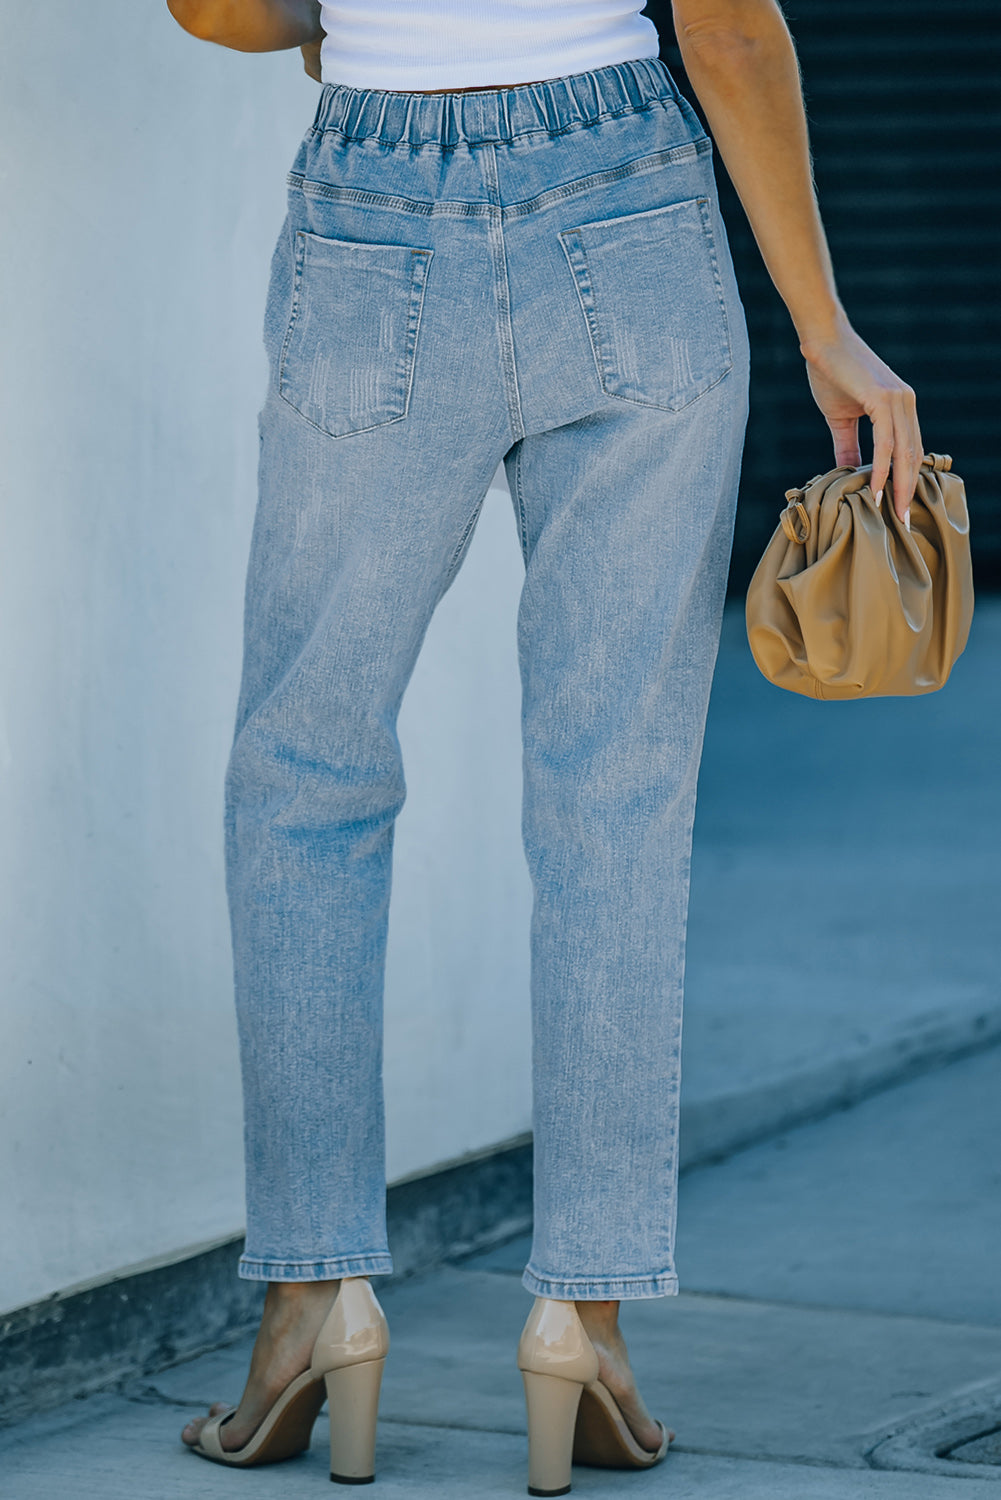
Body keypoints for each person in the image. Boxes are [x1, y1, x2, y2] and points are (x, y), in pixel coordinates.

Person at [167, 0, 922, 1489]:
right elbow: (728, 24)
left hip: (375, 212)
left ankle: (312, 1308)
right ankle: (583, 1324)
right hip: (625, 197)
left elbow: (217, 8)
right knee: (615, 796)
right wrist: (822, 322)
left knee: (305, 778)